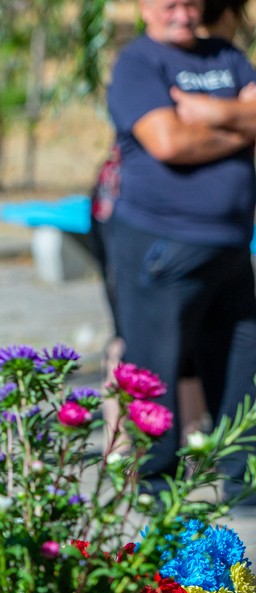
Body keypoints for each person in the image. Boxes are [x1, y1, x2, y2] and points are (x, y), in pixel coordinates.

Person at [107, 0, 256, 497]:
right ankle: (155, 489)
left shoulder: (226, 56)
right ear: (145, 7)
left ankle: (244, 481)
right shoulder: (138, 63)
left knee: (243, 363)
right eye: (171, 3)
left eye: (192, 3)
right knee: (156, 372)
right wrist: (242, 123)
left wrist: (211, 112)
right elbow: (169, 143)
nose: (184, 13)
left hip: (230, 248)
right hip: (160, 245)